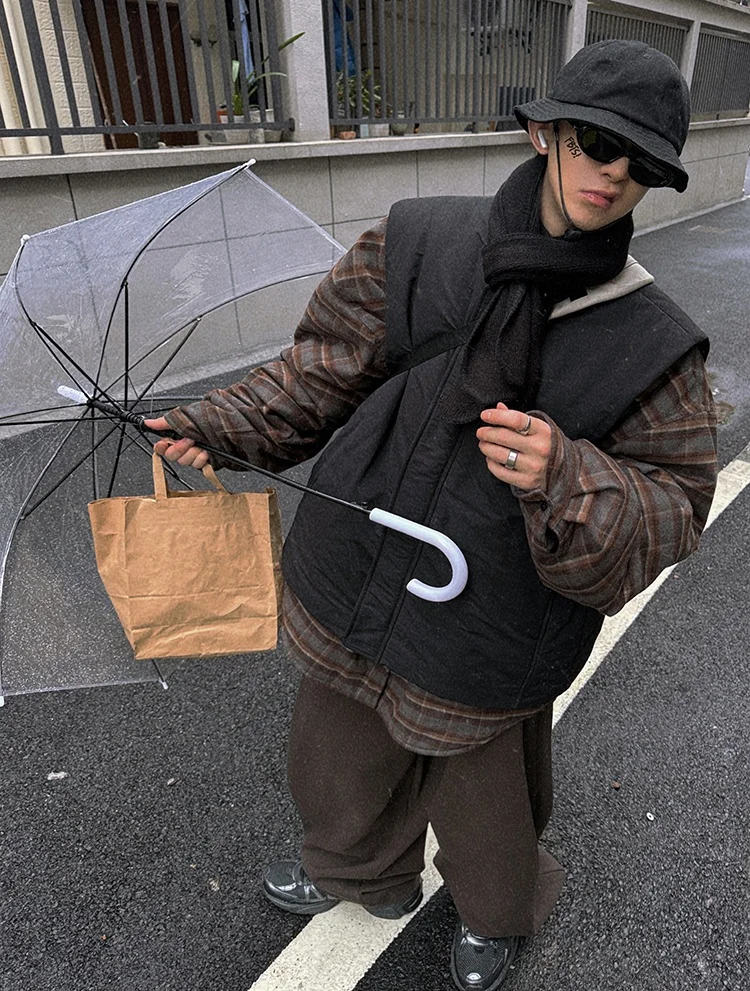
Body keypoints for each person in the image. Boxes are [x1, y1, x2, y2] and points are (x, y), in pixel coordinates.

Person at [145, 40, 717, 991]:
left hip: (496, 605)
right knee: (336, 745)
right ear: (546, 134)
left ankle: (499, 912)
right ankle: (355, 869)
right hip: (361, 548)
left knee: (484, 783)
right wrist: (221, 424)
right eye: (596, 143)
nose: (613, 173)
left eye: (641, 163)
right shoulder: (417, 240)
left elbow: (674, 503)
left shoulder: (656, 343)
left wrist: (564, 472)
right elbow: (321, 367)